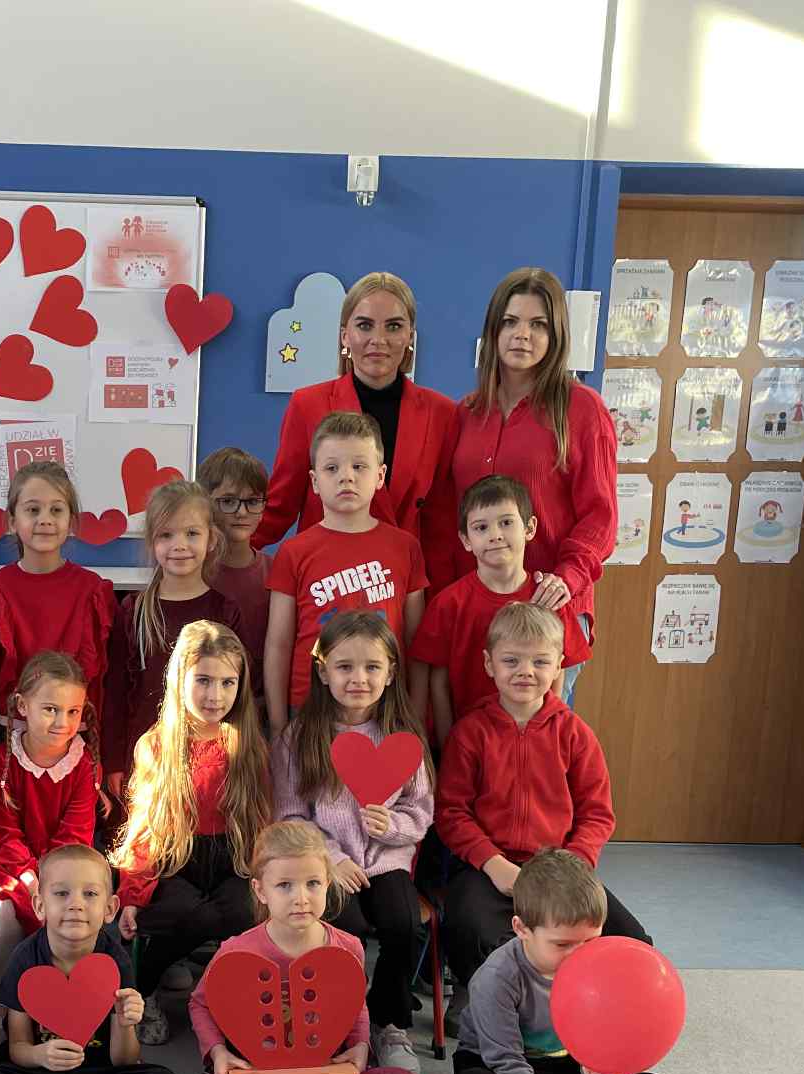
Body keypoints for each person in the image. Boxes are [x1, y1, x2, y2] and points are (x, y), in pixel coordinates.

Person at [435, 603, 649, 989]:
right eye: (511, 660)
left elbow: (597, 814)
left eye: (540, 661)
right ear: (489, 664)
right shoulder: (470, 733)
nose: (525, 671)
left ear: (558, 665)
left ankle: (581, 1002)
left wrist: (573, 864)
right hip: (489, 870)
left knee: (634, 943)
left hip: (560, 869)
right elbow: (451, 812)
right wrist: (494, 864)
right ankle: (483, 997)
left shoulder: (575, 733)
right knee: (470, 929)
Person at [450, 849, 680, 1074]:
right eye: (562, 944)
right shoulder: (496, 978)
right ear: (522, 929)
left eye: (590, 941)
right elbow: (506, 1063)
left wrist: (605, 1071)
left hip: (566, 1067)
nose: (578, 954)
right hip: (501, 1067)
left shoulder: (602, 965)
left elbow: (608, 1030)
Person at [434, 268, 618, 701]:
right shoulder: (467, 413)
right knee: (470, 732)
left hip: (547, 609)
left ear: (556, 335)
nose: (523, 335)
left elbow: (601, 516)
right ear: (493, 331)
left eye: (538, 325)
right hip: (476, 606)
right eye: (511, 322)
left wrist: (567, 577)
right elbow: (446, 511)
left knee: (535, 736)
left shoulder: (582, 410)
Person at [187, 822, 420, 1074]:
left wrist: (360, 1044)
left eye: (313, 883)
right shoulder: (235, 951)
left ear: (328, 883)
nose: (301, 898)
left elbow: (355, 1002)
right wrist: (218, 1052)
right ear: (260, 891)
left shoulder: (347, 947)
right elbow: (201, 1004)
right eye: (284, 885)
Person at [271, 611, 433, 1074]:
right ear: (323, 672)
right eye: (344, 667)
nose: (358, 679)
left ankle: (389, 1022)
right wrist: (331, 858)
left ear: (390, 673)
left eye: (371, 667)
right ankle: (341, 1020)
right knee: (345, 929)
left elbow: (421, 811)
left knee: (404, 923)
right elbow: (290, 815)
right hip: (324, 866)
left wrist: (392, 826)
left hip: (386, 861)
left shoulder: (403, 738)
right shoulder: (300, 739)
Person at [0, 845, 187, 1074]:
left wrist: (126, 1022)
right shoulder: (25, 959)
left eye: (90, 894)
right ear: (40, 905)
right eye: (61, 894)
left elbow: (125, 1061)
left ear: (110, 909)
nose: (75, 905)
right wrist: (40, 1054)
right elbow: (17, 1048)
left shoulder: (115, 962)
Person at [112, 621, 270, 1031]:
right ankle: (143, 990)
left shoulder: (248, 746)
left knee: (243, 910)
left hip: (233, 857)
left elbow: (262, 822)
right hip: (177, 858)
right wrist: (132, 893)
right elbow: (144, 828)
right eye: (203, 680)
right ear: (179, 679)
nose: (215, 695)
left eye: (227, 683)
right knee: (184, 912)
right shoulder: (157, 745)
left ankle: (223, 999)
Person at [251, 272, 456, 552]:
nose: (378, 339)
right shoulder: (307, 405)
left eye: (394, 326)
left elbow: (442, 523)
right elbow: (280, 507)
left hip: (403, 573)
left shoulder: (441, 413)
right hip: (324, 570)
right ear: (345, 336)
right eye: (365, 325)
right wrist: (216, 555)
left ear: (410, 336)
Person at [264, 411, 429, 736]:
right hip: (311, 710)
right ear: (314, 481)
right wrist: (279, 724)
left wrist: (416, 717)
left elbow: (416, 643)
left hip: (384, 708)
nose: (346, 477)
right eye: (332, 468)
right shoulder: (293, 552)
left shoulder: (405, 547)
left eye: (359, 466)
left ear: (380, 476)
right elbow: (278, 644)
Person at [412, 475, 587, 746]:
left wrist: (547, 737)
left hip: (533, 744)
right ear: (466, 539)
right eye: (481, 527)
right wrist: (449, 745)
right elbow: (438, 681)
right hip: (468, 746)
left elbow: (559, 669)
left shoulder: (548, 599)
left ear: (529, 528)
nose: (495, 535)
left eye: (506, 523)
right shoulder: (448, 604)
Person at [0, 459, 116, 756]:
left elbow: (103, 681)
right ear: (12, 521)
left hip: (74, 737)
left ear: (71, 521)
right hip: (10, 738)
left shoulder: (92, 590)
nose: (45, 519)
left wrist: (102, 750)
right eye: (33, 510)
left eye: (56, 510)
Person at [0, 649, 102, 1001]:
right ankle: (2, 1005)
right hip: (12, 868)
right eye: (50, 709)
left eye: (72, 712)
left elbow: (74, 838)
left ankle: (65, 1002)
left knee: (71, 912)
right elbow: (4, 833)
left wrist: (50, 883)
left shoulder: (83, 765)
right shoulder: (1, 762)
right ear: (23, 706)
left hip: (67, 869)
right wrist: (31, 880)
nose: (62, 722)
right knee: (3, 916)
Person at [104, 479, 240, 785]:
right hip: (145, 760)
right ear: (152, 542)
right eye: (166, 535)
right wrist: (113, 762)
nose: (179, 545)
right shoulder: (134, 610)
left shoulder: (225, 612)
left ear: (211, 539)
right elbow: (115, 692)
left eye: (191, 533)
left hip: (209, 762)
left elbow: (238, 693)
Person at [196, 447, 273, 699]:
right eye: (228, 501)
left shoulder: (276, 572)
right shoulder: (193, 572)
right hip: (206, 702)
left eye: (252, 502)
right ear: (206, 504)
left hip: (261, 705)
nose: (241, 512)